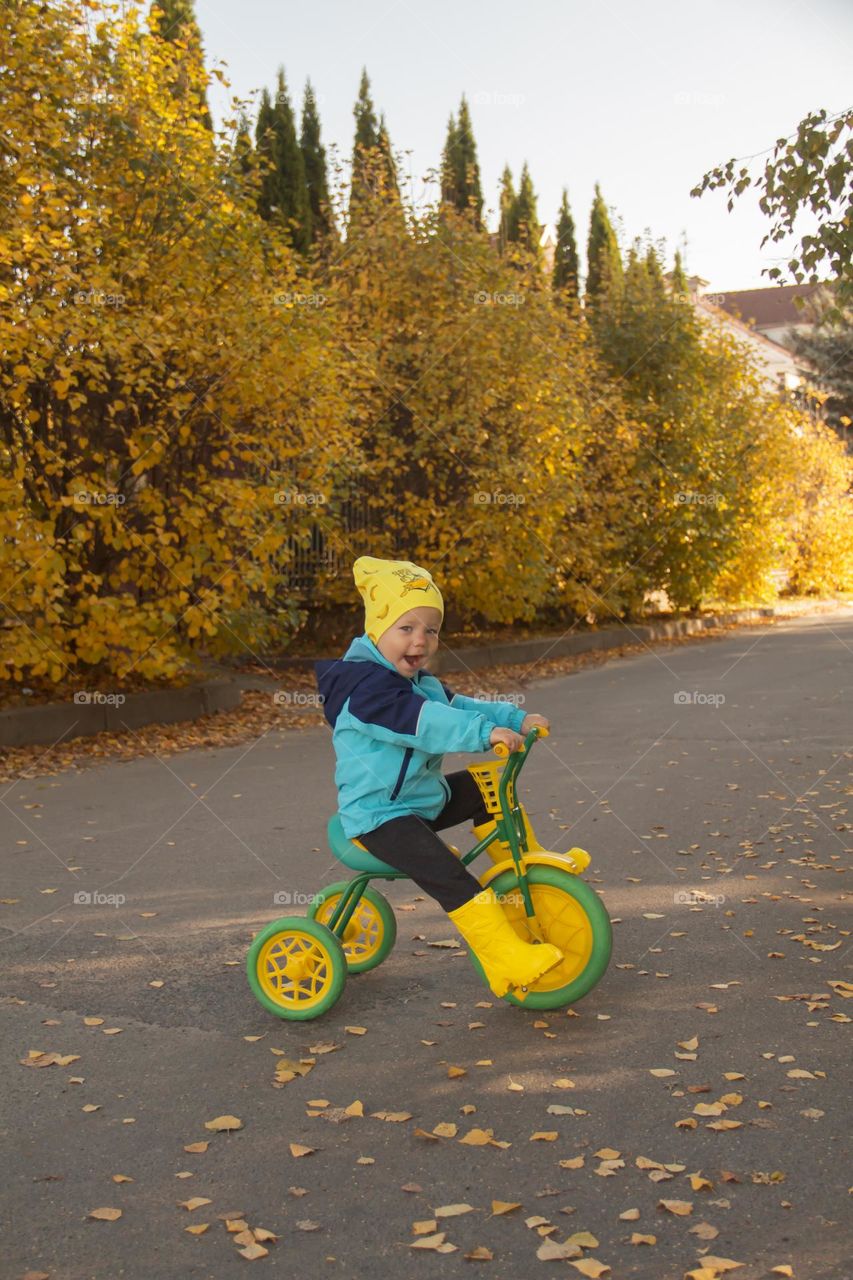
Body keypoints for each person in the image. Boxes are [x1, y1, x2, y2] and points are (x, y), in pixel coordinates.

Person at [314, 555, 563, 999]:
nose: (420, 641)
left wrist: (513, 717)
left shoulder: (416, 681)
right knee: (449, 873)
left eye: (430, 630)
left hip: (419, 800)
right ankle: (503, 960)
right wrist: (485, 734)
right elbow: (426, 722)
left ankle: (525, 867)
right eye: (406, 628)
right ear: (377, 630)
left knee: (485, 788)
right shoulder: (367, 691)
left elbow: (459, 706)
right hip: (380, 817)